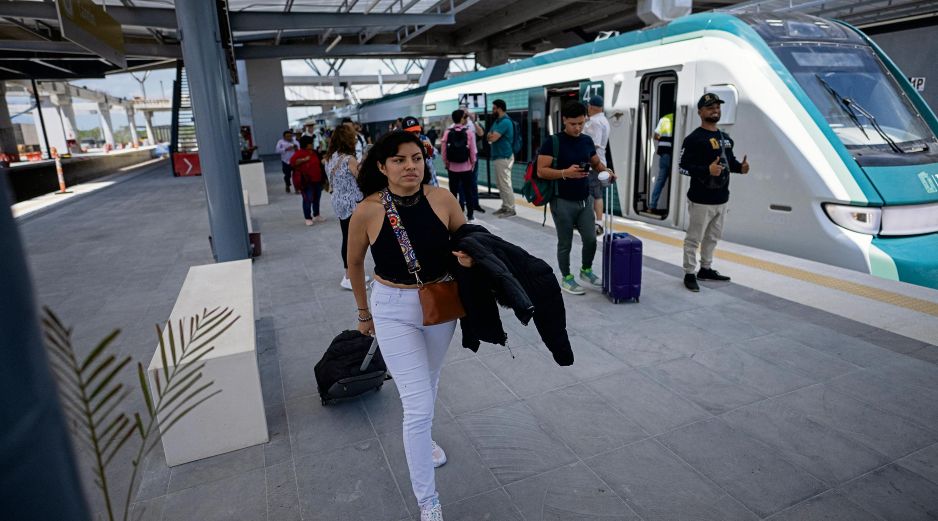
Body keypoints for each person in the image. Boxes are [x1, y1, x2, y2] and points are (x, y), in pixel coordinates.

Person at [346, 131, 474, 521]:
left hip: (439, 303)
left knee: (430, 380)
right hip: (393, 307)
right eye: (400, 160)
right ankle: (428, 502)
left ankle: (425, 440)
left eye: (416, 158)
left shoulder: (443, 199)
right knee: (416, 405)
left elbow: (470, 241)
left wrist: (468, 258)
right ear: (382, 166)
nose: (410, 167)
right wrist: (364, 313)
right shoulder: (367, 210)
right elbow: (354, 264)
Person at [535, 101, 615, 295]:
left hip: (584, 200)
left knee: (590, 239)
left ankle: (586, 270)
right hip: (561, 201)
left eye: (581, 123)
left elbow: (596, 163)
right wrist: (565, 173)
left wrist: (607, 172)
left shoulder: (586, 141)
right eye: (573, 124)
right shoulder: (553, 141)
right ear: (564, 120)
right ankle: (567, 277)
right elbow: (541, 171)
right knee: (566, 242)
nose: (578, 128)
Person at [679, 93, 750, 292]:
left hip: (721, 199)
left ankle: (706, 268)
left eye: (717, 107)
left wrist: (741, 168)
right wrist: (706, 170)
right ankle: (689, 273)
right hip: (701, 200)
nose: (715, 110)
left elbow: (730, 163)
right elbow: (682, 167)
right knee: (694, 238)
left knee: (712, 237)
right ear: (700, 112)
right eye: (710, 108)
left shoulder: (725, 139)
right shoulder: (693, 139)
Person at [324, 125, 369, 290]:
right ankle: (350, 276)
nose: (355, 139)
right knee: (354, 240)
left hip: (339, 202)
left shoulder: (331, 158)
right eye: (353, 137)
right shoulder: (349, 159)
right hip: (352, 204)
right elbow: (361, 178)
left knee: (347, 238)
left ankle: (351, 273)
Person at [440, 109, 478, 223]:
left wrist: (447, 163)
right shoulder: (468, 132)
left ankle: (455, 216)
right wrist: (472, 163)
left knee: (453, 193)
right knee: (468, 191)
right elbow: (473, 151)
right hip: (466, 168)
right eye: (464, 117)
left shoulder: (447, 132)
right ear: (461, 119)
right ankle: (470, 215)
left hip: (452, 168)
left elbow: (444, 151)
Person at [582, 95, 610, 235]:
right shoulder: (603, 120)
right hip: (600, 161)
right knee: (596, 193)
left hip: (593, 163)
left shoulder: (594, 122)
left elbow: (594, 144)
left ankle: (596, 223)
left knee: (593, 194)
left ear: (591, 106)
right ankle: (597, 222)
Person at [487, 99, 516, 217]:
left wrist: (491, 136)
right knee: (500, 184)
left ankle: (510, 209)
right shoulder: (498, 121)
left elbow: (492, 138)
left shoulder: (505, 122)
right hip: (498, 156)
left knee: (505, 183)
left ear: (499, 108)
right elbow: (488, 135)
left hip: (504, 156)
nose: (492, 111)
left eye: (494, 108)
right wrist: (491, 136)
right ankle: (505, 206)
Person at [290, 135, 325, 225]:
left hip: (317, 179)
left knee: (317, 197)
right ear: (306, 144)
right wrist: (304, 160)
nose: (312, 144)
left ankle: (316, 214)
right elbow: (292, 162)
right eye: (310, 143)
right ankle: (308, 217)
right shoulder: (299, 153)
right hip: (306, 181)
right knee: (308, 199)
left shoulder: (313, 152)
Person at [402, 115, 439, 187]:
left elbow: (434, 155)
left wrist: (429, 149)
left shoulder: (424, 138)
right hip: (416, 184)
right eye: (411, 133)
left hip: (432, 182)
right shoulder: (402, 145)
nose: (415, 135)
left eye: (417, 132)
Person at [649, 111, 675, 214]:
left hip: (665, 153)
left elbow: (656, 136)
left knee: (661, 180)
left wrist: (664, 138)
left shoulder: (665, 118)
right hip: (675, 152)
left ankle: (652, 206)